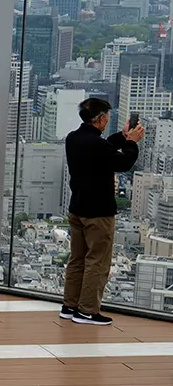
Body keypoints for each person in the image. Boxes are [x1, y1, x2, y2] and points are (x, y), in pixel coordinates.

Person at [62, 97, 143, 325]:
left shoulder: (74, 138)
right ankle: (87, 311)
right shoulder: (96, 145)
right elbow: (123, 162)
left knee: (77, 259)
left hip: (77, 209)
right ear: (99, 119)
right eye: (106, 116)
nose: (108, 119)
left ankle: (69, 305)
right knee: (97, 262)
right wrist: (132, 142)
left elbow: (102, 148)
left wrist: (122, 136)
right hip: (97, 213)